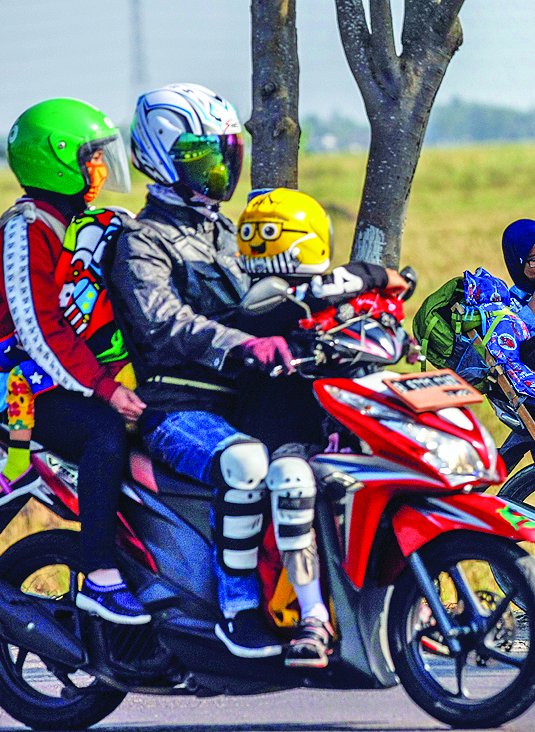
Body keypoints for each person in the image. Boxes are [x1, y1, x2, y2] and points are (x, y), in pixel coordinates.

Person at [108, 84, 405, 665]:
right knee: (247, 462)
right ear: (161, 157)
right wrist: (247, 346)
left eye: (224, 155)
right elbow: (164, 322)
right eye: (202, 158)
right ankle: (239, 611)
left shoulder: (227, 231)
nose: (218, 169)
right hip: (179, 409)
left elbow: (275, 296)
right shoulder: (142, 242)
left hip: (244, 404)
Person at [0, 98, 149, 624]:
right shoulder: (26, 228)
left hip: (56, 382)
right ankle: (99, 577)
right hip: (12, 389)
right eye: (92, 156)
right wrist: (105, 389)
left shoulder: (84, 224)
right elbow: (38, 328)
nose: (101, 167)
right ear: (57, 160)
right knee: (103, 433)